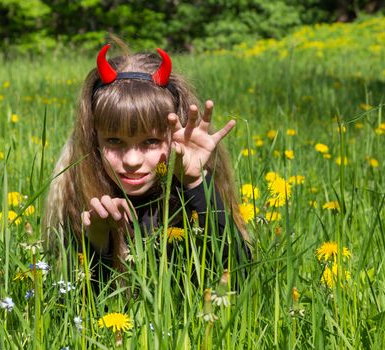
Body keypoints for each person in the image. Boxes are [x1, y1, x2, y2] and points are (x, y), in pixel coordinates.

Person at [43, 41, 251, 277]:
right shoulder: (78, 196)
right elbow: (75, 305)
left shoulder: (190, 194)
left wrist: (196, 182)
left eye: (151, 142)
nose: (132, 160)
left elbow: (240, 278)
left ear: (176, 136)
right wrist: (98, 242)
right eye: (114, 141)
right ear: (94, 141)